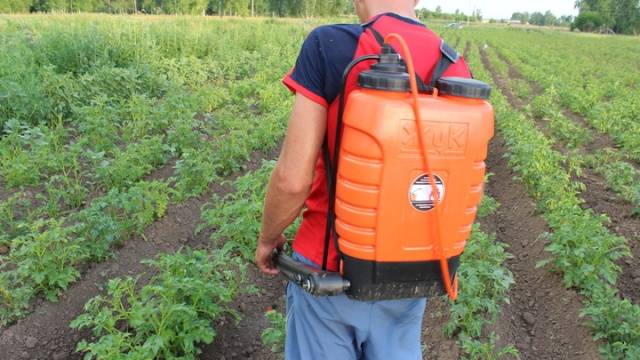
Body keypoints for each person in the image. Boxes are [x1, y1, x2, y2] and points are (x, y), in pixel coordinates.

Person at [255, 1, 472, 358]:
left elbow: (293, 180)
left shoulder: (330, 45)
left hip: (327, 276)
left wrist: (267, 238)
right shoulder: (454, 66)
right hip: (410, 276)